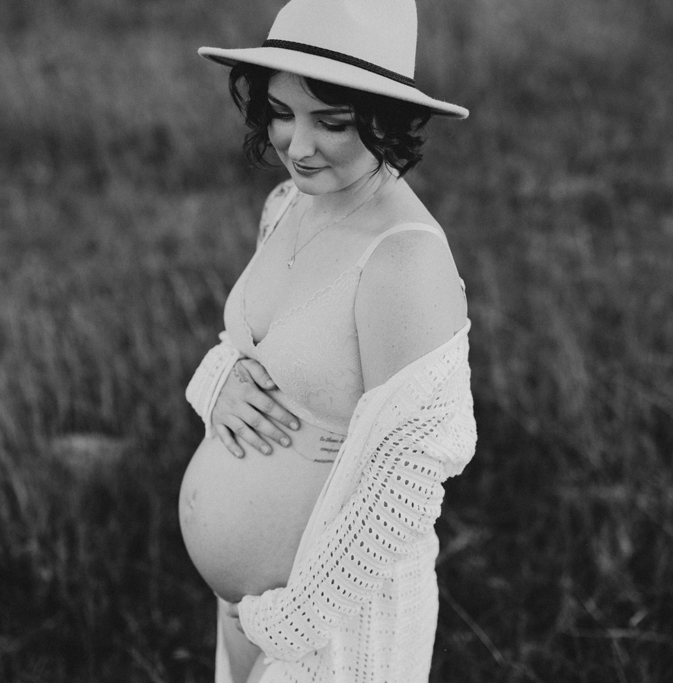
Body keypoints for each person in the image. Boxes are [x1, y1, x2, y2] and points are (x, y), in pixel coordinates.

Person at [180, 1, 478, 681]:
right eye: (282, 112)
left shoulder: (404, 258)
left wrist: (292, 619)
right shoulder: (288, 204)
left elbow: (408, 475)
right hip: (247, 616)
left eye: (333, 122)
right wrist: (220, 378)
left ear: (387, 120)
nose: (297, 146)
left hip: (329, 630)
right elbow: (263, 346)